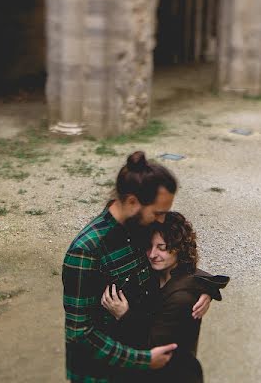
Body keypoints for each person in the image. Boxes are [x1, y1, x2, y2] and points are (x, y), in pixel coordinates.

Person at [62, 151, 212, 382]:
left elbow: (173, 256)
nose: (162, 220)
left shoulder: (142, 227)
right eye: (158, 212)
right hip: (101, 375)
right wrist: (143, 359)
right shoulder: (86, 251)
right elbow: (79, 334)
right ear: (132, 202)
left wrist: (201, 285)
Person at [101, 211, 229, 383]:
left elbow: (153, 348)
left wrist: (123, 315)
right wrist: (208, 289)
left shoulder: (182, 298)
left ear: (179, 248)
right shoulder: (158, 273)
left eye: (162, 247)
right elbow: (198, 276)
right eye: (149, 246)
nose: (153, 254)